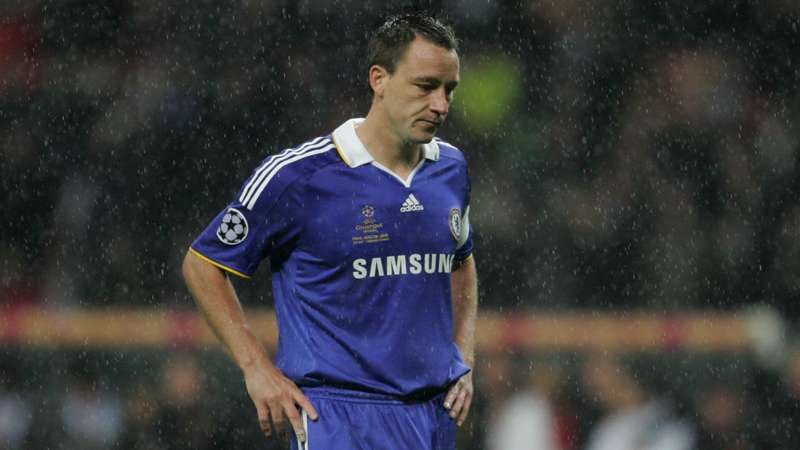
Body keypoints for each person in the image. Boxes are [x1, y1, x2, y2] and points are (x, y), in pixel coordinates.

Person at [182, 13, 478, 450]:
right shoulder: (298, 176)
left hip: (431, 416)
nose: (441, 105)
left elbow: (462, 261)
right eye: (425, 86)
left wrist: (463, 357)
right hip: (338, 419)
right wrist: (255, 367)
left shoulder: (450, 168)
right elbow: (202, 265)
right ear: (379, 79)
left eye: (449, 89)